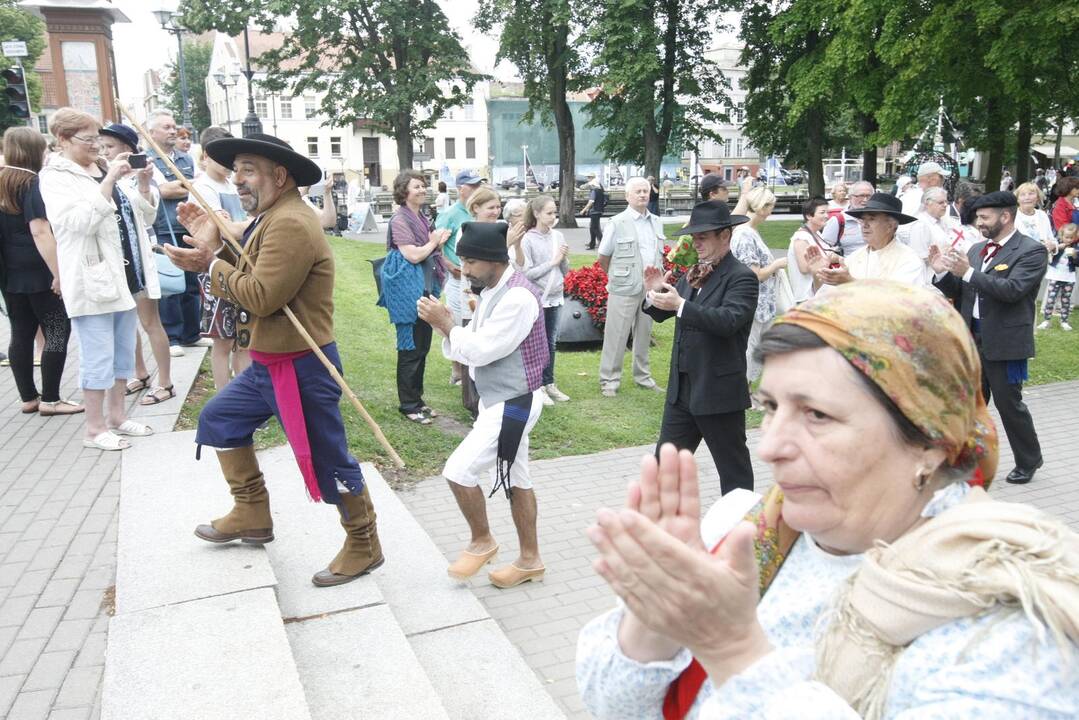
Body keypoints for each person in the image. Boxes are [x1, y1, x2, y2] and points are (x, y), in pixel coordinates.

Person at [577, 281, 1079, 720]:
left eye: (816, 414)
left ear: (928, 441)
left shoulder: (1013, 626)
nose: (770, 445)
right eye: (772, 407)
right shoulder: (755, 532)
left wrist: (732, 648)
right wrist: (656, 619)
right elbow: (614, 707)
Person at [165, 132, 383, 587]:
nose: (237, 179)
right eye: (236, 170)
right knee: (220, 419)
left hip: (301, 367)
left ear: (279, 176)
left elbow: (262, 296)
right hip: (269, 363)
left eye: (248, 169)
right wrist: (217, 245)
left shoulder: (289, 223)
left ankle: (363, 542)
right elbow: (253, 272)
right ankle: (251, 513)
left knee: (329, 460)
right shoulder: (272, 217)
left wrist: (209, 263)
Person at [417, 222, 549, 589]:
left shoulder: (518, 297)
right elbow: (473, 341)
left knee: (458, 470)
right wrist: (454, 326)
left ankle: (482, 540)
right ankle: (529, 560)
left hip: (515, 400)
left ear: (494, 260)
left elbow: (481, 349)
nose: (465, 269)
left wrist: (445, 324)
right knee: (517, 478)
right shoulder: (492, 287)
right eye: (462, 260)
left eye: (471, 261)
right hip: (500, 399)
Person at [39, 108, 155, 450]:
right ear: (62, 139)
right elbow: (78, 222)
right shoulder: (55, 177)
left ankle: (117, 417)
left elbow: (143, 215)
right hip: (91, 279)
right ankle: (94, 428)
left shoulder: (104, 168)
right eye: (88, 140)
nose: (96, 147)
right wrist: (108, 182)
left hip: (124, 274)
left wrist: (143, 183)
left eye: (98, 140)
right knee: (97, 355)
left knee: (122, 352)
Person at [642, 201, 758, 495]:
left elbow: (728, 321)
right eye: (694, 237)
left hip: (718, 392)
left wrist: (680, 304)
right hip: (682, 392)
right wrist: (656, 292)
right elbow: (663, 311)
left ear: (725, 236)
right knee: (661, 468)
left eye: (703, 237)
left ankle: (739, 531)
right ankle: (653, 532)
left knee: (734, 473)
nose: (697, 243)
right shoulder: (694, 274)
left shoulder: (741, 277)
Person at [930, 191, 1046, 485]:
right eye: (978, 218)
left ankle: (1029, 460)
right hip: (974, 338)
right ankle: (966, 459)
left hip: (1006, 342)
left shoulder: (1031, 251)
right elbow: (961, 290)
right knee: (969, 404)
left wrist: (968, 273)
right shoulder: (977, 249)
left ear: (1005, 216)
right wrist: (941, 273)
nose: (979, 223)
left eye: (985, 217)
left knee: (1009, 406)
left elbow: (1012, 290)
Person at [0, 127, 82, 416]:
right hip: (39, 269)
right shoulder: (32, 183)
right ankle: (51, 399)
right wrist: (58, 272)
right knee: (58, 329)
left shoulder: (2, 181)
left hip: (9, 273)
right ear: (34, 152)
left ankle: (28, 398)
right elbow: (40, 231)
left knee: (20, 332)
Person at [97, 122, 175, 406]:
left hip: (138, 263)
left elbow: (150, 215)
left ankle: (165, 381)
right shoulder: (100, 177)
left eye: (111, 147)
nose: (105, 152)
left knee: (150, 321)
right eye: (102, 147)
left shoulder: (134, 179)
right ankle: (139, 373)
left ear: (128, 150)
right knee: (126, 323)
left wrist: (143, 182)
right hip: (114, 263)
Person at [378, 169, 448, 425]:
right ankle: (408, 404)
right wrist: (434, 242)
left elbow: (427, 249)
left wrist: (437, 241)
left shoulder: (422, 217)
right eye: (416, 186)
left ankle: (417, 400)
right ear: (403, 191)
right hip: (408, 290)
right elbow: (413, 255)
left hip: (423, 287)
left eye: (423, 186)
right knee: (409, 348)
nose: (422, 190)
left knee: (422, 346)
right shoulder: (400, 220)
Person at [191, 125, 250, 390]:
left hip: (241, 266)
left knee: (242, 337)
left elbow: (238, 224)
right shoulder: (202, 186)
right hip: (216, 268)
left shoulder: (230, 184)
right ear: (206, 155)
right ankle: (224, 398)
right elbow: (223, 228)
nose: (229, 166)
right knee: (223, 340)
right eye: (222, 158)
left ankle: (245, 399)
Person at [597, 177, 665, 397]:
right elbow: (603, 256)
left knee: (644, 334)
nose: (643, 195)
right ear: (628, 196)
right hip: (624, 286)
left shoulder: (656, 221)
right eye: (638, 191)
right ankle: (609, 380)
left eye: (645, 191)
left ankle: (643, 377)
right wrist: (616, 277)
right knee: (616, 335)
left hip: (650, 287)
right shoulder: (617, 222)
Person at [146, 110, 201, 357]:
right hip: (163, 227)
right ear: (152, 132)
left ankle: (192, 334)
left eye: (173, 126)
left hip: (187, 226)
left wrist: (175, 187)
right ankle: (173, 337)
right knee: (170, 283)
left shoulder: (185, 159)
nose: (172, 131)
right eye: (166, 127)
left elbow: (191, 187)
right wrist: (175, 187)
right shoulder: (147, 161)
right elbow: (161, 192)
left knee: (191, 283)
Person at [730, 186, 787, 381]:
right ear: (762, 207)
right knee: (750, 346)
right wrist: (777, 264)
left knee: (756, 346)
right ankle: (743, 390)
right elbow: (754, 275)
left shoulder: (749, 231)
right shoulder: (745, 234)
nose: (771, 211)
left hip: (762, 301)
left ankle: (747, 388)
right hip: (753, 301)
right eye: (770, 206)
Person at [811, 192, 925, 289]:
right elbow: (826, 297)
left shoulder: (908, 259)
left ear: (891, 226)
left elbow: (900, 301)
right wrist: (818, 273)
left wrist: (851, 283)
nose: (864, 225)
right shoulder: (855, 257)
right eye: (862, 220)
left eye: (871, 219)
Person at [435, 168, 485, 381]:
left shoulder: (478, 210)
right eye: (472, 186)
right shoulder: (450, 214)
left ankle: (473, 365)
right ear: (460, 188)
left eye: (478, 185)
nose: (476, 189)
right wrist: (448, 265)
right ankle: (457, 367)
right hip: (457, 279)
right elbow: (436, 245)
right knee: (455, 322)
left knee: (476, 321)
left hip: (477, 279)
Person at [521, 194, 570, 405]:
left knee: (551, 342)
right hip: (538, 297)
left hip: (556, 296)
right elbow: (527, 273)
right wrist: (553, 262)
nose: (553, 217)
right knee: (536, 342)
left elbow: (564, 269)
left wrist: (563, 259)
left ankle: (549, 382)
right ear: (537, 213)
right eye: (549, 213)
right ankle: (537, 385)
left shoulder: (558, 236)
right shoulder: (527, 239)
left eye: (554, 212)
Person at [903, 186, 952, 282]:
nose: (945, 205)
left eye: (946, 202)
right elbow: (919, 257)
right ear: (927, 203)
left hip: (944, 277)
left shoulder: (943, 222)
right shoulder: (920, 225)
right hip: (929, 280)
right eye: (941, 202)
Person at [786, 197, 830, 303]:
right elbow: (804, 268)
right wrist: (829, 259)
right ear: (809, 216)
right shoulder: (801, 238)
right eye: (822, 212)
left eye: (827, 212)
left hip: (820, 294)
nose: (826, 216)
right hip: (807, 298)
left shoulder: (816, 234)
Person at [1038, 222, 1077, 331]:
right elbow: (1049, 254)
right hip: (1055, 276)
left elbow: (1077, 263)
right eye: (1066, 237)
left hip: (1069, 278)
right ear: (1061, 236)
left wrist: (1075, 256)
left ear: (1075, 237)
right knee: (1050, 299)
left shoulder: (1076, 248)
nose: (1068, 240)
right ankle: (1046, 321)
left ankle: (1064, 321)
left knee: (1066, 300)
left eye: (1071, 238)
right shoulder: (1057, 245)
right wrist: (1057, 248)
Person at [820, 180, 872, 256]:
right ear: (850, 198)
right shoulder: (838, 220)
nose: (865, 200)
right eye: (861, 196)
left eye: (869, 196)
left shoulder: (880, 220)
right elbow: (824, 249)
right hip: (848, 266)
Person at [1013, 181, 1054, 247]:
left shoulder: (1042, 215)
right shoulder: (1012, 216)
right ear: (1017, 199)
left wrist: (1053, 246)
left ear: (1037, 197)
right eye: (1023, 195)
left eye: (1031, 194)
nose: (1027, 198)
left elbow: (1052, 239)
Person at [580, 173, 607, 250]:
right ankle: (593, 243)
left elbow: (591, 202)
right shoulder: (600, 189)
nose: (587, 179)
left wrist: (584, 210)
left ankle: (601, 244)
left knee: (594, 228)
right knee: (594, 228)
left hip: (595, 211)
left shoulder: (594, 191)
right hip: (599, 210)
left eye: (588, 177)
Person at [502, 197, 528, 269]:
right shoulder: (502, 234)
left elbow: (522, 265)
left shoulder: (531, 234)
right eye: (519, 215)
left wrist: (517, 247)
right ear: (509, 218)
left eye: (525, 215)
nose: (524, 218)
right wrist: (509, 243)